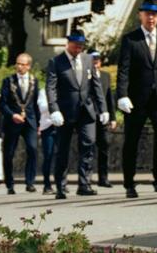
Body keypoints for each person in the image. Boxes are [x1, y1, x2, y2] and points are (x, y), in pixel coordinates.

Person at [116, 0, 157, 198]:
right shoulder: (130, 39)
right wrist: (122, 95)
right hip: (137, 98)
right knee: (132, 140)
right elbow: (123, 70)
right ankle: (129, 183)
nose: (151, 18)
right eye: (147, 14)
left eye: (154, 14)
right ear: (140, 15)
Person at [45, 29, 109, 198]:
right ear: (68, 43)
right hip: (65, 113)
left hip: (86, 111)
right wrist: (54, 110)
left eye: (81, 45)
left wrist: (103, 109)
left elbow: (96, 86)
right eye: (75, 45)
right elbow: (50, 88)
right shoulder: (56, 61)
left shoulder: (88, 59)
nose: (78, 48)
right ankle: (60, 185)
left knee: (89, 144)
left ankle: (85, 183)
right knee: (63, 150)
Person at [0, 53, 40, 195]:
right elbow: (3, 104)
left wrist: (38, 123)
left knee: (32, 149)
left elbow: (35, 104)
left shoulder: (34, 81)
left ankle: (30, 182)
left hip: (30, 121)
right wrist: (12, 115)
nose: (19, 67)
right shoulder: (8, 81)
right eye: (18, 63)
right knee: (9, 153)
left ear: (28, 66)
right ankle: (10, 184)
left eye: (23, 64)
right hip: (13, 121)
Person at [90, 51, 116, 188]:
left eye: (97, 60)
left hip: (103, 116)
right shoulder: (86, 75)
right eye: (93, 60)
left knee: (104, 146)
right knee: (88, 147)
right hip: (89, 115)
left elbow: (109, 97)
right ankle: (87, 177)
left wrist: (112, 117)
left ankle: (103, 178)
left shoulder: (105, 76)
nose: (96, 63)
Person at [37, 86, 56, 194]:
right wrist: (56, 104)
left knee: (62, 155)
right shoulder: (43, 91)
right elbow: (42, 108)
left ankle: (62, 182)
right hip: (47, 126)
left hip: (62, 125)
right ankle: (47, 184)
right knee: (48, 155)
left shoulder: (64, 87)